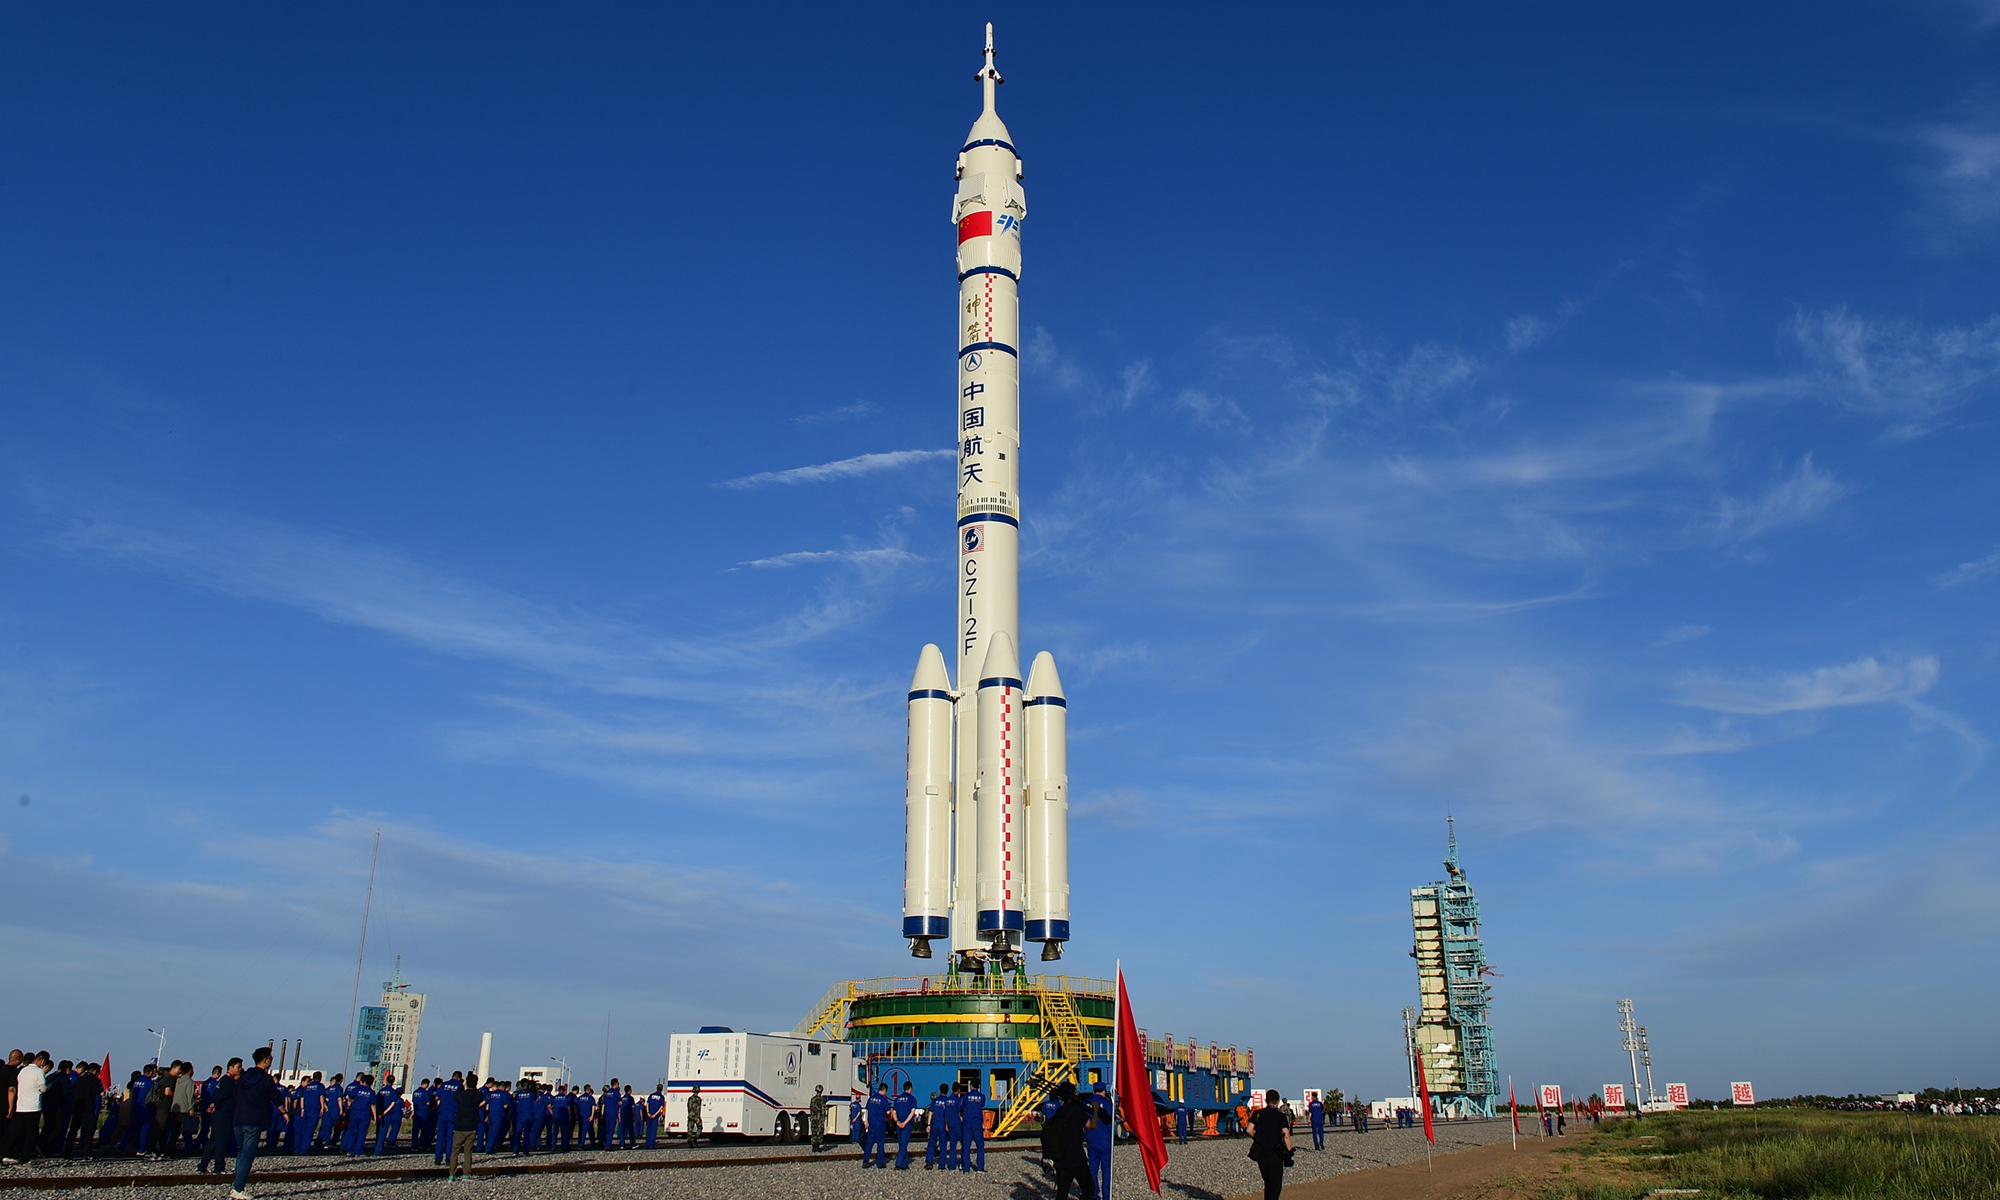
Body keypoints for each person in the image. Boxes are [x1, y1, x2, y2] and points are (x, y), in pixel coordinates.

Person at [230, 1048, 281, 1199]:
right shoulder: (266, 1079)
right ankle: (238, 1189)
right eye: (270, 1058)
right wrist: (284, 1112)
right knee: (247, 1155)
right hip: (254, 1120)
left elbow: (235, 1094)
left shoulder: (243, 1077)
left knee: (242, 1153)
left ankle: (237, 1186)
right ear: (265, 1060)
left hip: (239, 1119)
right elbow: (275, 1097)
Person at [1043, 1082, 1095, 1200]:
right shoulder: (1076, 1111)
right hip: (1076, 1158)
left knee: (1062, 1192)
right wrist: (1095, 1110)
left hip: (1061, 1157)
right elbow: (1092, 1124)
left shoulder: (1060, 1111)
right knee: (1089, 1188)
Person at [1247, 1088, 1293, 1200]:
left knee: (1267, 1183)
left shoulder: (1258, 1114)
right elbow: (1286, 1134)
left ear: (1266, 1100)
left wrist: (1257, 1138)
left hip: (1261, 1154)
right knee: (1275, 1186)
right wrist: (1289, 1150)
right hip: (1275, 1155)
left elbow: (1249, 1130)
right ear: (1277, 1101)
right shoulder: (1280, 1116)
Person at [4, 1050, 47, 1164]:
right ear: (42, 1061)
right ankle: (25, 1158)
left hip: (21, 1106)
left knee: (16, 1133)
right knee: (30, 1134)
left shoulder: (23, 1071)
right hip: (33, 1106)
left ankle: (5, 1153)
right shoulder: (39, 1072)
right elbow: (43, 1089)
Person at [448, 1074, 482, 1182]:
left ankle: (451, 1175)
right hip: (471, 1126)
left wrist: (462, 1085)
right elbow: (479, 1094)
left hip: (459, 1126)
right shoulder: (478, 1095)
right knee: (468, 1152)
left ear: (466, 1082)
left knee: (455, 1152)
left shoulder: (461, 1095)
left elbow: (455, 1095)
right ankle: (466, 1174)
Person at [66, 1060, 103, 1157]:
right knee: (88, 1131)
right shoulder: (94, 1080)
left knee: (73, 1130)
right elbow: (98, 1092)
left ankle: (67, 1151)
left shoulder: (79, 1080)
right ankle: (87, 1153)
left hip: (77, 1107)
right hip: (88, 1108)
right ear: (95, 1071)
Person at [1086, 1083, 1113, 1200]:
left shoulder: (1086, 1102)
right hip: (1105, 1139)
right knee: (1106, 1169)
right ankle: (1107, 1195)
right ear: (1104, 1091)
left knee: (1093, 1168)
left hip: (1091, 1138)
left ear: (1093, 1091)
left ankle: (1094, 1194)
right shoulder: (1107, 1103)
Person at [433, 1073, 462, 1165]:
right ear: (459, 1078)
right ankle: (448, 1159)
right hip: (453, 1113)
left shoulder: (444, 1085)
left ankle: (438, 1158)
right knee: (450, 1137)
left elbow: (436, 1097)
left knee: (440, 1137)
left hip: (443, 1113)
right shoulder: (459, 1086)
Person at [375, 1073, 403, 1155]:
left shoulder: (381, 1091)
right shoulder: (393, 1092)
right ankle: (378, 1150)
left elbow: (376, 1102)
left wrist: (378, 1113)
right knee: (383, 1133)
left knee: (378, 1131)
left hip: (379, 1113)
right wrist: (384, 1113)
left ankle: (376, 1147)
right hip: (386, 1114)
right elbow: (392, 1104)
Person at [961, 1077, 985, 1173]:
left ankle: (966, 1168)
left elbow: (962, 1107)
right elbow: (982, 1105)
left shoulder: (966, 1096)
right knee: (980, 1145)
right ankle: (980, 1167)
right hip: (977, 1122)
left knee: (966, 1145)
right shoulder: (982, 1096)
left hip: (967, 1122)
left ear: (971, 1086)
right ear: (978, 1086)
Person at [862, 1082, 889, 1168]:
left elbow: (866, 1110)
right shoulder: (884, 1100)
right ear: (884, 1090)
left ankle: (866, 1160)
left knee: (869, 1143)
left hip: (872, 1123)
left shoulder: (871, 1099)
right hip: (880, 1123)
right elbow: (888, 1112)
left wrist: (866, 1122)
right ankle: (880, 1163)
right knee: (880, 1143)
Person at [893, 1082, 916, 1169]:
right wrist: (905, 1123)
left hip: (899, 1122)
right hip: (907, 1122)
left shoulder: (897, 1099)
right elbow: (912, 1112)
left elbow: (894, 1112)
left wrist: (897, 1121)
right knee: (904, 1143)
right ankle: (898, 1163)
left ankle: (904, 1163)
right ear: (910, 1088)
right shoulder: (912, 1099)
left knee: (901, 1143)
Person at [928, 1087, 951, 1169]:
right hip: (943, 1125)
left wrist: (928, 1124)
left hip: (934, 1124)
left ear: (940, 1090)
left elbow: (930, 1112)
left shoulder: (935, 1101)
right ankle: (941, 1165)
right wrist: (947, 1124)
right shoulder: (948, 1101)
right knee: (943, 1145)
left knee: (931, 1144)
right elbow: (947, 1114)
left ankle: (929, 1162)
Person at [808, 1084, 828, 1154]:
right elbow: (823, 1110)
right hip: (819, 1119)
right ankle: (817, 1146)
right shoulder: (822, 1100)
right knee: (820, 1132)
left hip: (813, 1118)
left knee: (814, 1132)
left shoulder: (813, 1099)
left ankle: (814, 1146)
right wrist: (823, 1119)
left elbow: (811, 1108)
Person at [646, 1084, 664, 1149]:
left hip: (649, 1114)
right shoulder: (661, 1097)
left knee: (649, 1130)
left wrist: (648, 1112)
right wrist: (655, 1114)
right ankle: (651, 1145)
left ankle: (647, 1143)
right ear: (661, 1089)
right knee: (653, 1130)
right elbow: (661, 1107)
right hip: (655, 1116)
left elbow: (647, 1104)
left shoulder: (651, 1095)